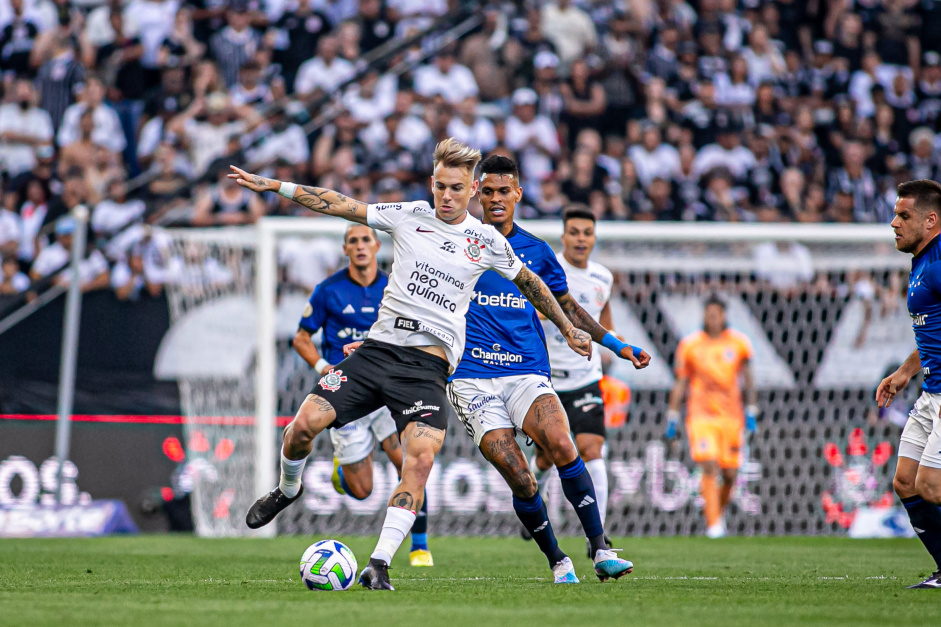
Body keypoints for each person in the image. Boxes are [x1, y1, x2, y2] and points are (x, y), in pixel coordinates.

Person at [230, 138, 593, 590]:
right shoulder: (410, 216)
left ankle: (379, 563)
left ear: (473, 190)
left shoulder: (484, 241)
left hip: (426, 371)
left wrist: (567, 327)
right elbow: (341, 204)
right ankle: (287, 488)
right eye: (440, 186)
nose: (446, 196)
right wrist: (276, 186)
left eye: (456, 188)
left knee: (417, 464)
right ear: (432, 183)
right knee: (301, 427)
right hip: (376, 354)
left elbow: (532, 282)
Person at [447, 157, 649, 584]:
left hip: (527, 370)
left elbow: (569, 307)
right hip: (470, 376)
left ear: (518, 194)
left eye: (505, 191)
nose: (496, 199)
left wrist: (615, 343)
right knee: (521, 477)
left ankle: (600, 549)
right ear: (476, 193)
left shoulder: (536, 251)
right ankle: (558, 559)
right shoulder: (453, 244)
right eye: (489, 192)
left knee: (563, 442)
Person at [292, 223, 434, 568]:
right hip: (349, 393)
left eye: (365, 240)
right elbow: (301, 338)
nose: (359, 246)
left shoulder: (396, 286)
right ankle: (342, 471)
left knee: (412, 461)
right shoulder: (328, 290)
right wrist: (324, 367)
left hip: (387, 389)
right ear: (345, 249)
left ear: (376, 246)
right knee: (362, 491)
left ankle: (420, 546)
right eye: (353, 241)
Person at [531, 206, 627, 540]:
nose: (581, 239)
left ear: (594, 238)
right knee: (546, 456)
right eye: (574, 232)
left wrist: (614, 340)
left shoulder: (604, 277)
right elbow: (531, 313)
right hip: (548, 379)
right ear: (563, 236)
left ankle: (596, 536)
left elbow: (603, 316)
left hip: (586, 377)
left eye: (587, 233)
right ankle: (534, 500)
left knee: (591, 450)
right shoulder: (548, 269)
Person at [876, 179, 941, 589]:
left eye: (904, 216)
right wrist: (904, 373)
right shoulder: (921, 262)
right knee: (905, 482)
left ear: (931, 220)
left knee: (932, 486)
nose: (894, 224)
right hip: (930, 392)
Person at [665, 295, 757, 539]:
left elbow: (748, 379)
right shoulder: (691, 345)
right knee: (709, 465)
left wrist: (752, 411)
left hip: (731, 417)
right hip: (700, 416)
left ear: (724, 316)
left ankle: (716, 514)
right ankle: (714, 526)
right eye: (708, 314)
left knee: (730, 474)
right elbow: (681, 382)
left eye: (716, 314)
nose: (712, 318)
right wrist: (672, 416)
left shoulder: (739, 344)